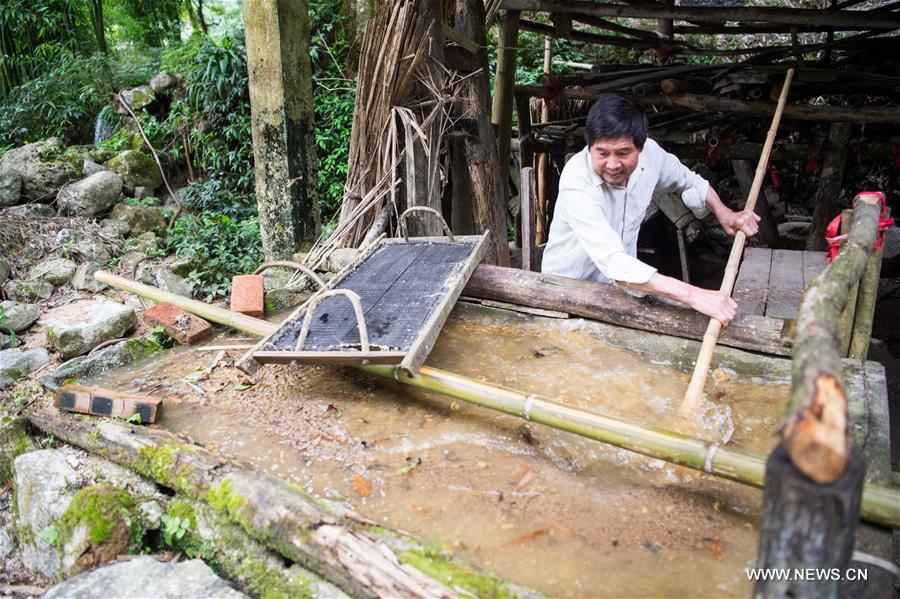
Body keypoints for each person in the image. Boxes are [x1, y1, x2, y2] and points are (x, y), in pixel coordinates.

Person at [541, 93, 760, 325]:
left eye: (623, 153)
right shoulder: (577, 180)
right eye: (602, 153)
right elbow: (614, 262)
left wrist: (724, 212)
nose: (613, 165)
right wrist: (695, 295)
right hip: (564, 292)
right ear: (589, 146)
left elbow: (690, 180)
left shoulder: (652, 156)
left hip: (619, 290)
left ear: (640, 147)